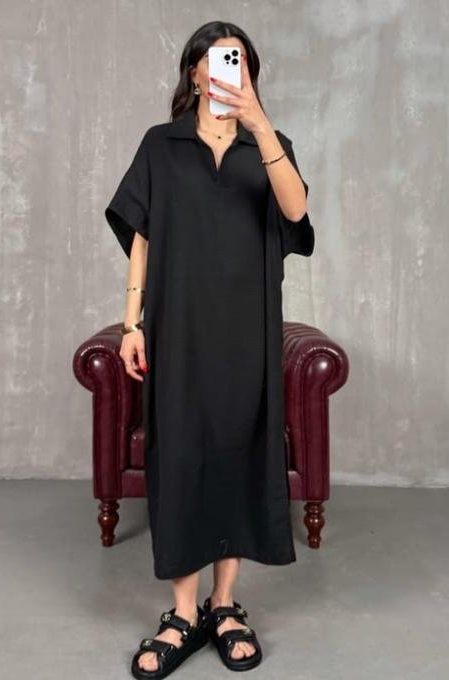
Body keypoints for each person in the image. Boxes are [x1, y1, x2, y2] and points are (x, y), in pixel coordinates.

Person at [105, 20, 315, 679]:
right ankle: (182, 613)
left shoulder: (269, 143)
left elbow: (296, 212)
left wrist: (259, 125)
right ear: (195, 71)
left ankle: (224, 606)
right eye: (219, 59)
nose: (230, 68)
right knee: (181, 457)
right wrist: (132, 322)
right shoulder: (160, 146)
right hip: (179, 328)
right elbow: (141, 235)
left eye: (240, 60)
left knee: (238, 456)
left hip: (247, 331)